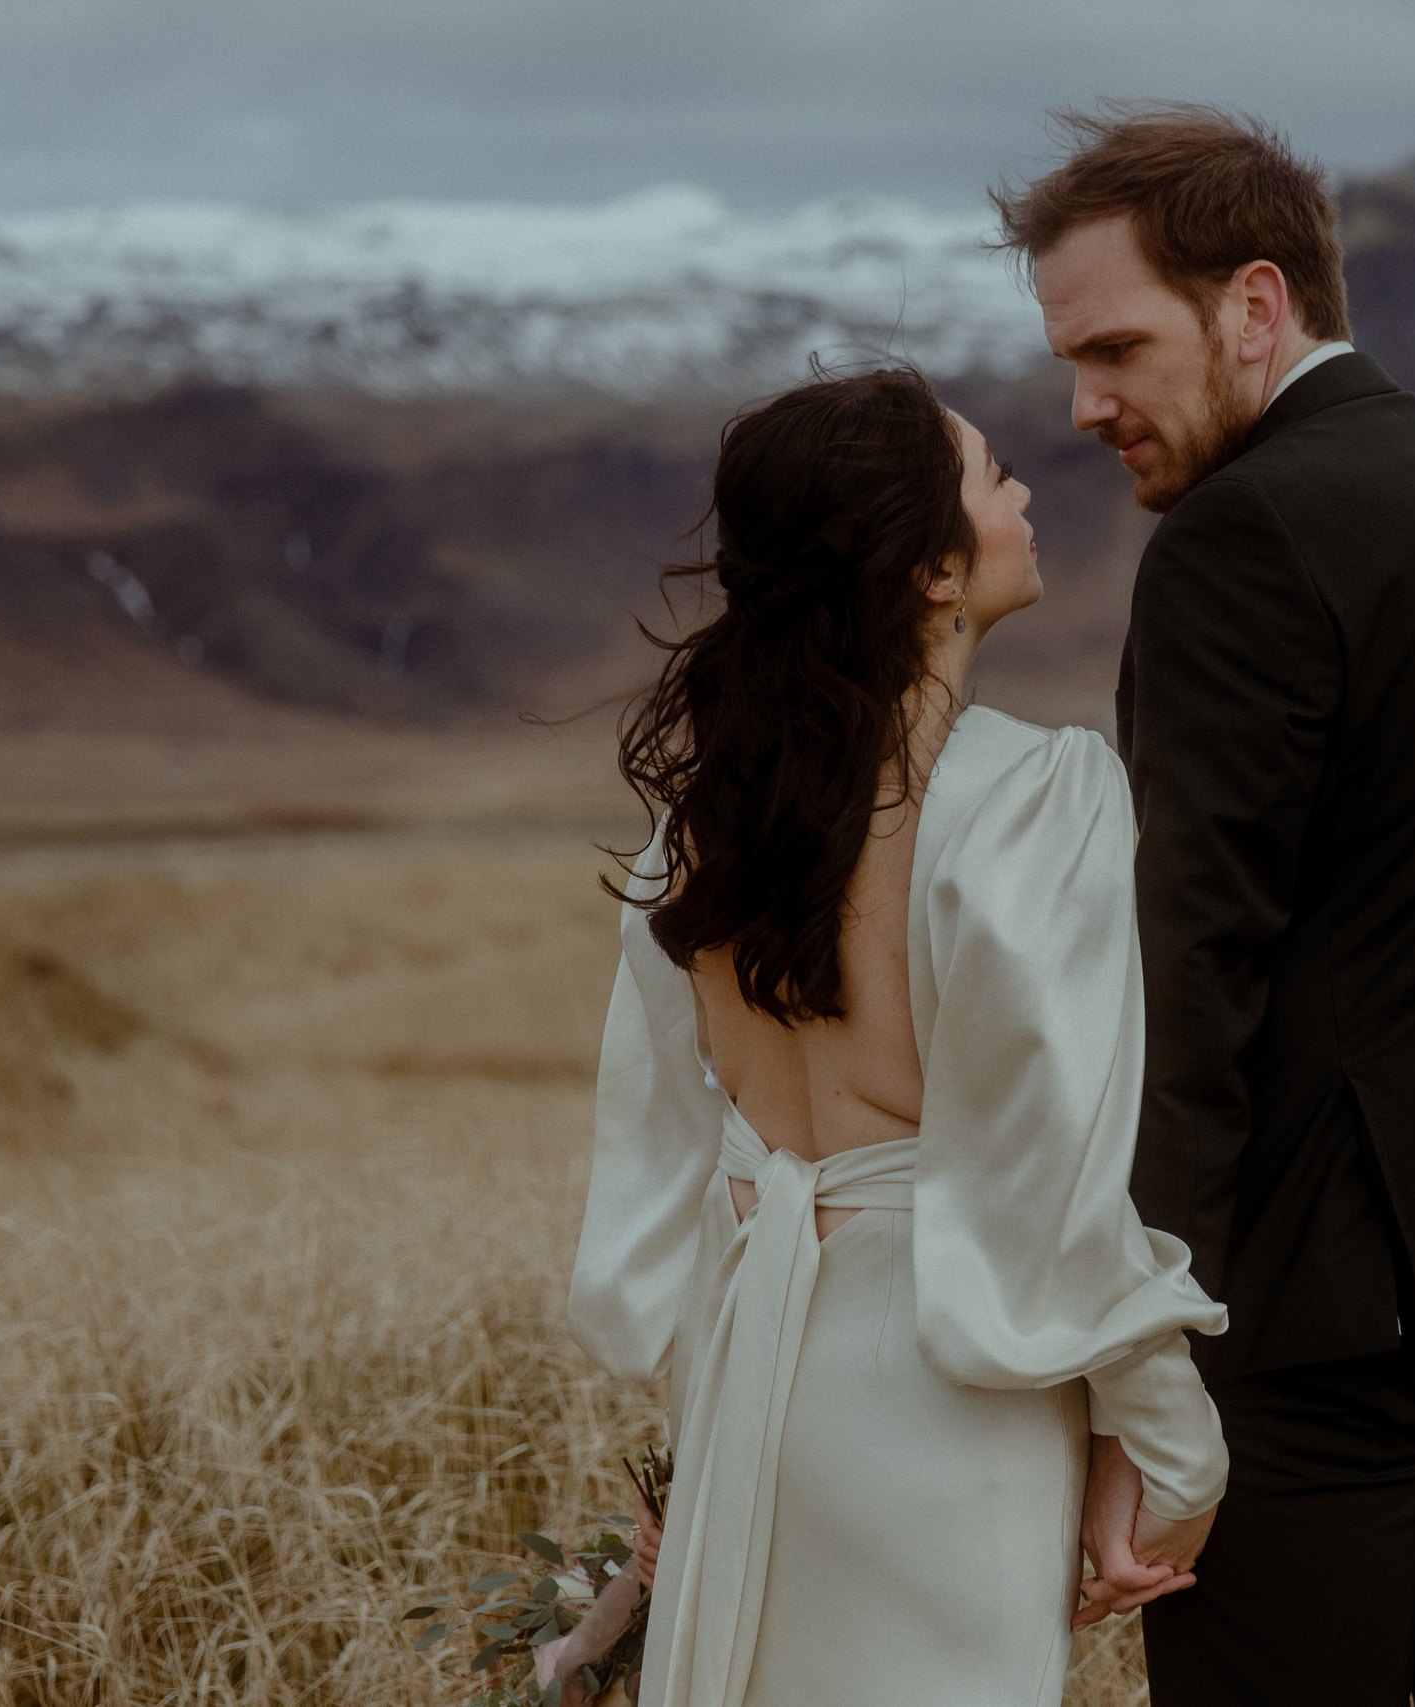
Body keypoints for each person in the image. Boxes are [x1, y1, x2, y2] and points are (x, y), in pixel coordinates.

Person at [994, 105, 1415, 1707]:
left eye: (1115, 350)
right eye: (1069, 362)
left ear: (1254, 305)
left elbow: (1191, 969)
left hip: (1302, 1334)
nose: (1086, 407)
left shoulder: (1239, 539)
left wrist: (1146, 1360)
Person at [548, 366, 1230, 1707]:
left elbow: (681, 1175)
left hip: (760, 1393)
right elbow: (1057, 1179)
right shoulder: (1039, 796)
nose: (1025, 491)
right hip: (945, 1405)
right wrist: (1168, 1446)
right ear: (929, 567)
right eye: (990, 476)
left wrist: (699, 1441)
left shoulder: (699, 835)